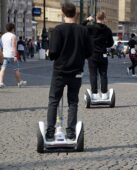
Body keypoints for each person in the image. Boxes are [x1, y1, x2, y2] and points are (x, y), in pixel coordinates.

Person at [45, 2, 92, 141]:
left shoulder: (58, 30)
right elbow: (89, 52)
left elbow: (53, 53)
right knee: (73, 102)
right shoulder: (83, 30)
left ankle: (50, 131)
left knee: (53, 100)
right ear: (75, 13)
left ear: (63, 13)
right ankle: (71, 132)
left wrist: (50, 53)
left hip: (60, 71)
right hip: (76, 71)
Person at [83, 11, 114, 100]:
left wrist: (87, 20)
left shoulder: (90, 27)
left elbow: (81, 26)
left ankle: (95, 94)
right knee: (103, 74)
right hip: (103, 54)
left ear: (96, 18)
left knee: (93, 74)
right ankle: (104, 94)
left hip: (92, 55)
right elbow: (110, 43)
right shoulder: (107, 30)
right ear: (104, 19)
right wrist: (104, 45)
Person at [0, 23, 27, 88]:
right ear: (13, 29)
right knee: (16, 69)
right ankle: (20, 82)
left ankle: (0, 82)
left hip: (4, 54)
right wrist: (15, 56)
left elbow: (1, 47)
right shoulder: (13, 36)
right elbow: (14, 46)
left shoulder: (2, 36)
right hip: (11, 55)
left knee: (3, 69)